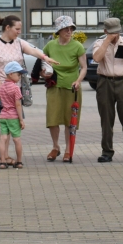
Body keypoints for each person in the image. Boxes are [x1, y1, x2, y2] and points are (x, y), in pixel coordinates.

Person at [0, 15, 58, 168]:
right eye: (17, 29)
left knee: (9, 121)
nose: (19, 32)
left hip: (16, 89)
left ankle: (4, 157)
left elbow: (33, 51)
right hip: (0, 89)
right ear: (7, 28)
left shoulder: (19, 43)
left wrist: (46, 58)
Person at [92, 17, 123, 163]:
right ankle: (107, 151)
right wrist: (107, 41)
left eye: (117, 32)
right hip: (105, 82)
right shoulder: (100, 43)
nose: (115, 35)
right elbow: (96, 58)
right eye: (112, 33)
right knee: (106, 119)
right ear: (106, 31)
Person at [44, 15, 87, 163]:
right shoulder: (50, 45)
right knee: (53, 118)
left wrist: (78, 80)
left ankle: (69, 150)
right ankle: (55, 147)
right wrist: (44, 73)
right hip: (54, 86)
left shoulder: (77, 46)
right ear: (59, 31)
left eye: (71, 29)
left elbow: (84, 68)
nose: (69, 31)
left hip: (71, 87)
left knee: (70, 120)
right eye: (66, 29)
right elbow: (42, 62)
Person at [0, 61, 25, 169]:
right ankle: (19, 161)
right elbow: (18, 104)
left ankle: (2, 161)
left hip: (3, 116)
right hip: (13, 117)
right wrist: (21, 119)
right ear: (11, 74)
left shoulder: (1, 87)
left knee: (3, 138)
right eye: (18, 74)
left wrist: (0, 106)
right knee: (17, 139)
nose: (19, 77)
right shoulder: (16, 88)